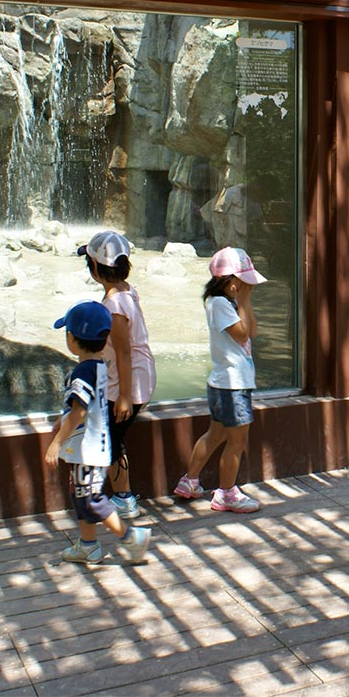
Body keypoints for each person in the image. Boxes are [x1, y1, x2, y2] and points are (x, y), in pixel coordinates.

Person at [45, 301, 153, 565]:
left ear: (71, 339)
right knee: (80, 495)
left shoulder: (83, 371)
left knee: (91, 499)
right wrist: (63, 422)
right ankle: (88, 544)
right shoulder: (100, 366)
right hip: (92, 446)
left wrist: (56, 443)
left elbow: (80, 411)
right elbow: (86, 408)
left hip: (88, 450)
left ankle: (131, 538)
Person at [172, 247, 267, 513]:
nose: (249, 286)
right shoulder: (220, 305)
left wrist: (244, 303)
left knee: (215, 435)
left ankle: (190, 481)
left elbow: (252, 332)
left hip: (226, 383)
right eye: (245, 281)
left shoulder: (227, 304)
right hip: (232, 385)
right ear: (231, 281)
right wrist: (245, 303)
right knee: (237, 442)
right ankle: (226, 493)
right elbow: (242, 334)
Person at [78, 230, 157, 520]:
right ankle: (122, 495)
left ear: (96, 268)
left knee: (109, 438)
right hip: (136, 375)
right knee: (114, 435)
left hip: (130, 381)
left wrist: (124, 396)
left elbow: (124, 352)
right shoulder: (125, 291)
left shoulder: (113, 306)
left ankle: (123, 499)